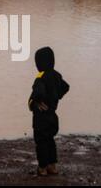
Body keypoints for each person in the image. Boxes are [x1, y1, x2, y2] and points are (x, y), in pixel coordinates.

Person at [28, 47, 70, 176]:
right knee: (50, 141)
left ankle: (42, 168)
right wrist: (56, 96)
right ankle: (53, 166)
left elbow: (38, 92)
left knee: (41, 142)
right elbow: (65, 87)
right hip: (53, 115)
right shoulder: (56, 75)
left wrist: (36, 102)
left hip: (41, 117)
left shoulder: (41, 77)